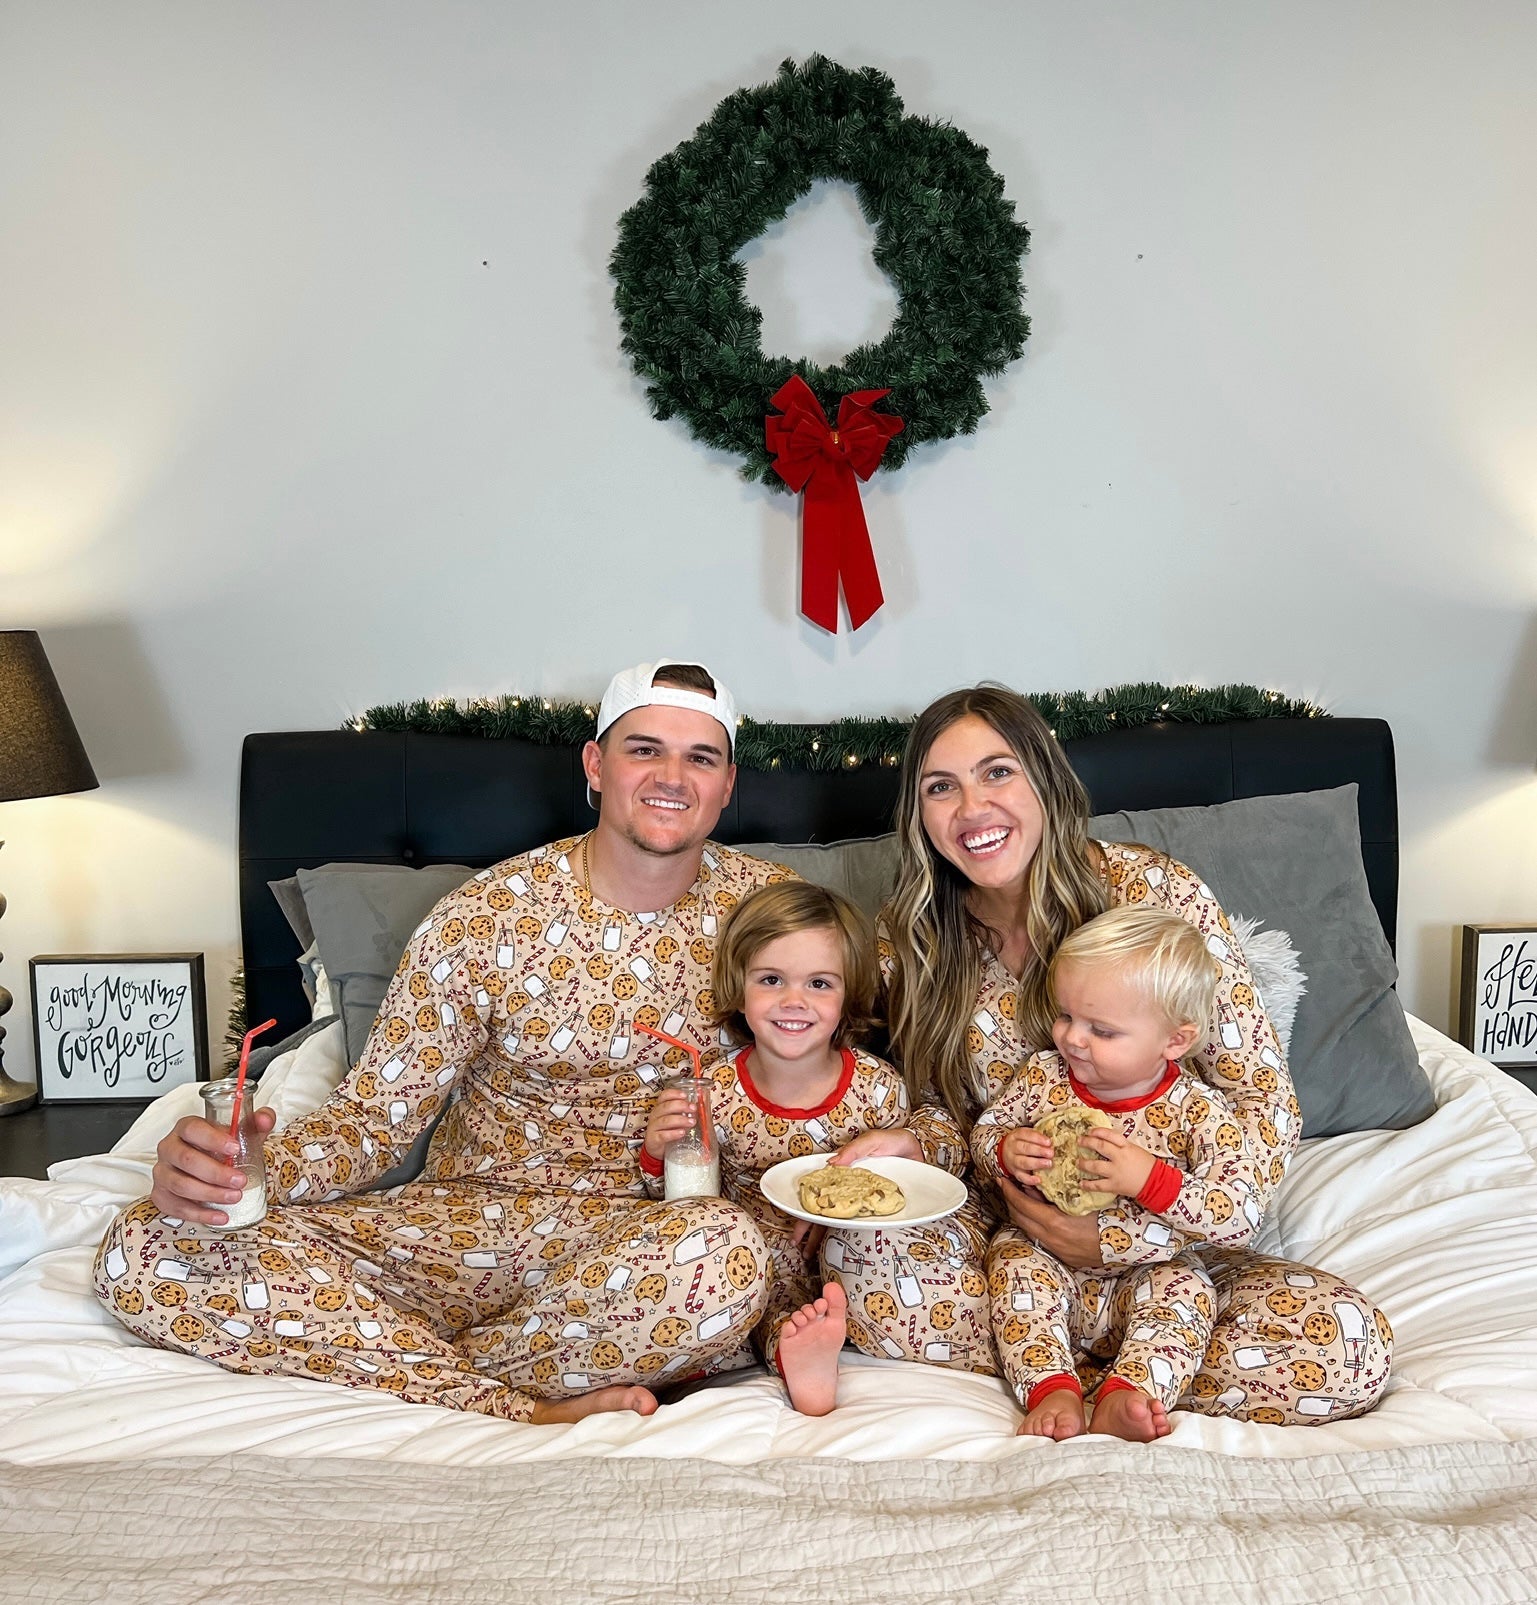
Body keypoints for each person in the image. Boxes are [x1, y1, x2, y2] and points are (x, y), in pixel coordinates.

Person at [93, 659, 790, 1425]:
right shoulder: (485, 917)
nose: (672, 777)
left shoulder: (778, 915)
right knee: (146, 1245)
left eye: (701, 757)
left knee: (725, 1258)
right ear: (595, 765)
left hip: (655, 1241)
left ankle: (396, 1357)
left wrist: (888, 1130)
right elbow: (372, 1121)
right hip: (461, 1233)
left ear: (728, 782)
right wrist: (233, 1172)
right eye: (645, 749)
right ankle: (511, 1399)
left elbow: (861, 1052)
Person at [881, 684, 1393, 1426]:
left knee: (1347, 1349)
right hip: (1011, 1250)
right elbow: (942, 1118)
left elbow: (1261, 1102)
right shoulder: (914, 940)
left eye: (997, 772)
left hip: (1169, 1253)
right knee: (864, 1267)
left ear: (1044, 778)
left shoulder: (1152, 892)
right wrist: (930, 1148)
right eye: (940, 787)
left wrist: (1120, 1238)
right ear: (918, 812)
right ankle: (1086, 1367)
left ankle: (1101, 1369)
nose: (972, 808)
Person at [972, 905, 1252, 1440]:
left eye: (1101, 1030)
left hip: (1146, 1269)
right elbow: (985, 1135)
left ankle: (1128, 1392)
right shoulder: (1044, 1077)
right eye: (1065, 1016)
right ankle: (1052, 1388)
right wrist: (1006, 1150)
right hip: (1046, 1252)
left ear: (1175, 1040)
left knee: (1186, 1291)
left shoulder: (1198, 1112)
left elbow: (1239, 1216)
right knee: (1013, 1265)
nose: (1072, 1039)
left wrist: (1149, 1180)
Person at [639, 881, 911, 1416]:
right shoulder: (713, 1093)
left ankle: (854, 1329)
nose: (794, 1001)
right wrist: (658, 1151)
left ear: (848, 996)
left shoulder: (878, 1089)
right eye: (771, 980)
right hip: (762, 1258)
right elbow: (679, 1204)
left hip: (856, 1252)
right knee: (761, 1307)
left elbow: (905, 1184)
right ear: (739, 989)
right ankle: (799, 1359)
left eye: (819, 983)